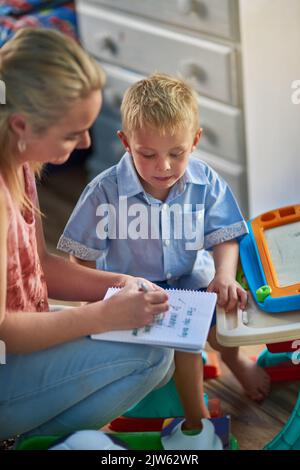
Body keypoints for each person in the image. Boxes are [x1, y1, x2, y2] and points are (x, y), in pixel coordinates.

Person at [58, 73, 271, 446]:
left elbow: (225, 236)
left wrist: (223, 275)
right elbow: (81, 256)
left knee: (229, 306)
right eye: (148, 154)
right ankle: (197, 421)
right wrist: (93, 304)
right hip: (134, 288)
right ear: (125, 143)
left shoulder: (205, 181)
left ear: (196, 141)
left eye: (177, 153)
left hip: (191, 277)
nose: (165, 167)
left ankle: (234, 359)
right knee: (185, 344)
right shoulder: (104, 192)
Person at [0, 30, 174, 441]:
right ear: (22, 124)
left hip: (17, 348)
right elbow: (5, 329)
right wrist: (102, 316)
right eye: (71, 132)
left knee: (159, 347)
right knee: (150, 353)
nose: (87, 142)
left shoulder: (19, 162)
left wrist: (118, 284)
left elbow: (37, 265)